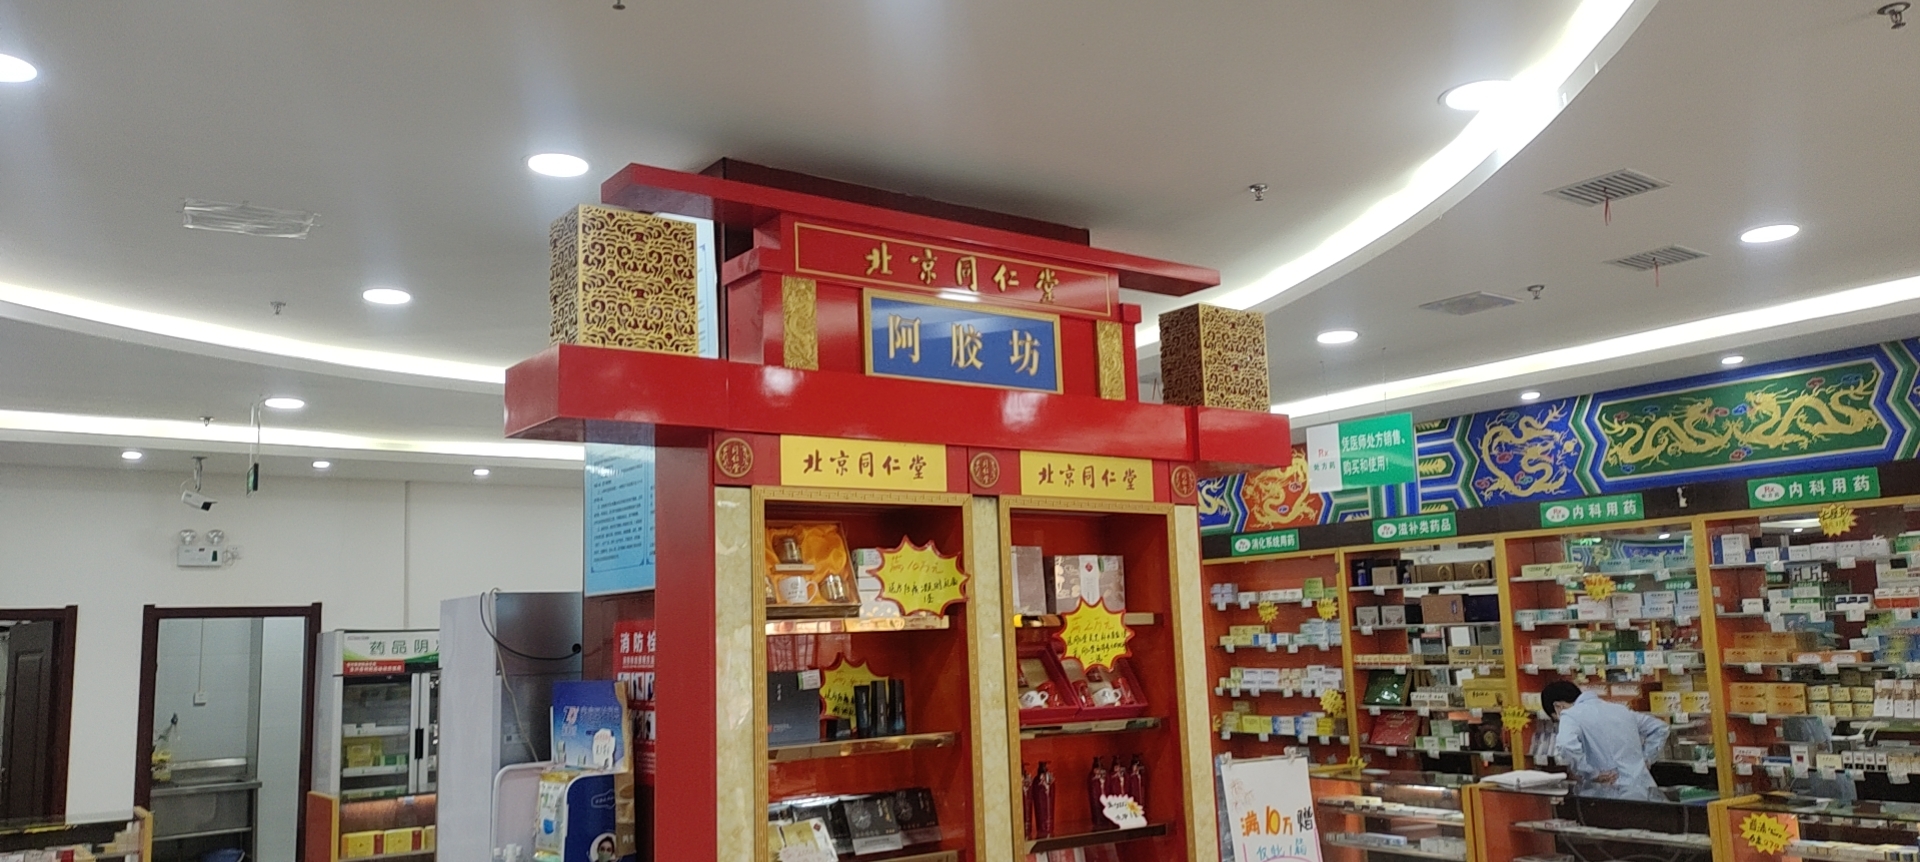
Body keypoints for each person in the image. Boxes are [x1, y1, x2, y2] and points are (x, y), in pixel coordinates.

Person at [1542, 680, 1669, 801]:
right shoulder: (1620, 709)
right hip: (1644, 789)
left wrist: (1591, 773)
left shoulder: (1570, 715)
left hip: (1609, 792)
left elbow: (1566, 745)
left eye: (1556, 719)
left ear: (1558, 707)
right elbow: (1660, 728)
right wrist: (1646, 759)